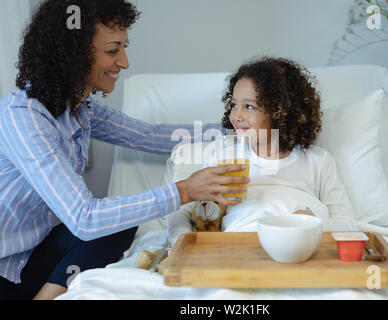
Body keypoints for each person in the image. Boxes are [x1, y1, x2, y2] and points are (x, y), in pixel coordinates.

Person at [0, 0, 248, 300]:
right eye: (112, 50)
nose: (125, 62)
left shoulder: (80, 110)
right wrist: (185, 191)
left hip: (32, 259)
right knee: (99, 220)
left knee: (121, 222)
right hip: (4, 268)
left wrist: (234, 128)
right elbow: (84, 217)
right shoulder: (23, 116)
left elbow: (151, 135)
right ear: (73, 54)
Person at [166, 57, 356, 243]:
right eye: (233, 105)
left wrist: (315, 223)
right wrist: (182, 241)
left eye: (249, 106)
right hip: (241, 245)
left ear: (281, 112)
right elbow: (183, 210)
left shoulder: (317, 161)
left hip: (298, 245)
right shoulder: (224, 154)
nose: (236, 115)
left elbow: (347, 225)